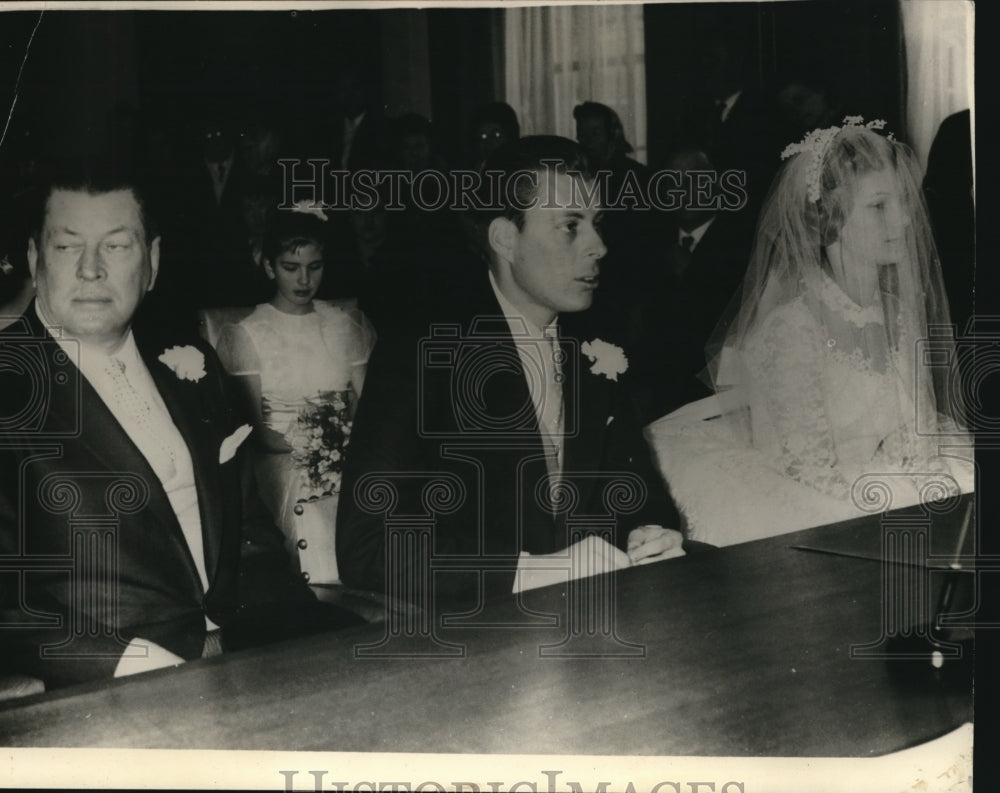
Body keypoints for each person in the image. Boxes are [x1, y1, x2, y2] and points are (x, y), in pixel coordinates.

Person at [0, 160, 364, 690]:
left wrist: (304, 641)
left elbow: (250, 536)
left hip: (244, 651)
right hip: (110, 680)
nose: (91, 269)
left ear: (151, 262)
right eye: (67, 246)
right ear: (35, 260)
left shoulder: (189, 360)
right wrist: (124, 663)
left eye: (117, 246)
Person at [337, 135, 686, 608]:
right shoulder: (422, 353)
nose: (599, 246)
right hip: (477, 639)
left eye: (597, 224)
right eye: (570, 226)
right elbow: (367, 548)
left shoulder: (596, 348)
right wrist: (533, 571)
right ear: (505, 238)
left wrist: (650, 533)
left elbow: (638, 492)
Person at [648, 118, 974, 546]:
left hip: (881, 476)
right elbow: (807, 467)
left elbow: (912, 429)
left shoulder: (897, 312)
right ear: (829, 218)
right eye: (879, 206)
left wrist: (927, 481)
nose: (905, 220)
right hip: (812, 487)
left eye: (903, 201)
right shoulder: (792, 328)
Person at [216, 205, 376, 585]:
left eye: (315, 267)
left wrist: (346, 450)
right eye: (291, 267)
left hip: (348, 458)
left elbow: (368, 410)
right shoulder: (247, 333)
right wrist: (318, 449)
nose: (304, 280)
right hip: (280, 463)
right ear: (270, 267)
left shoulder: (344, 324)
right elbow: (255, 430)